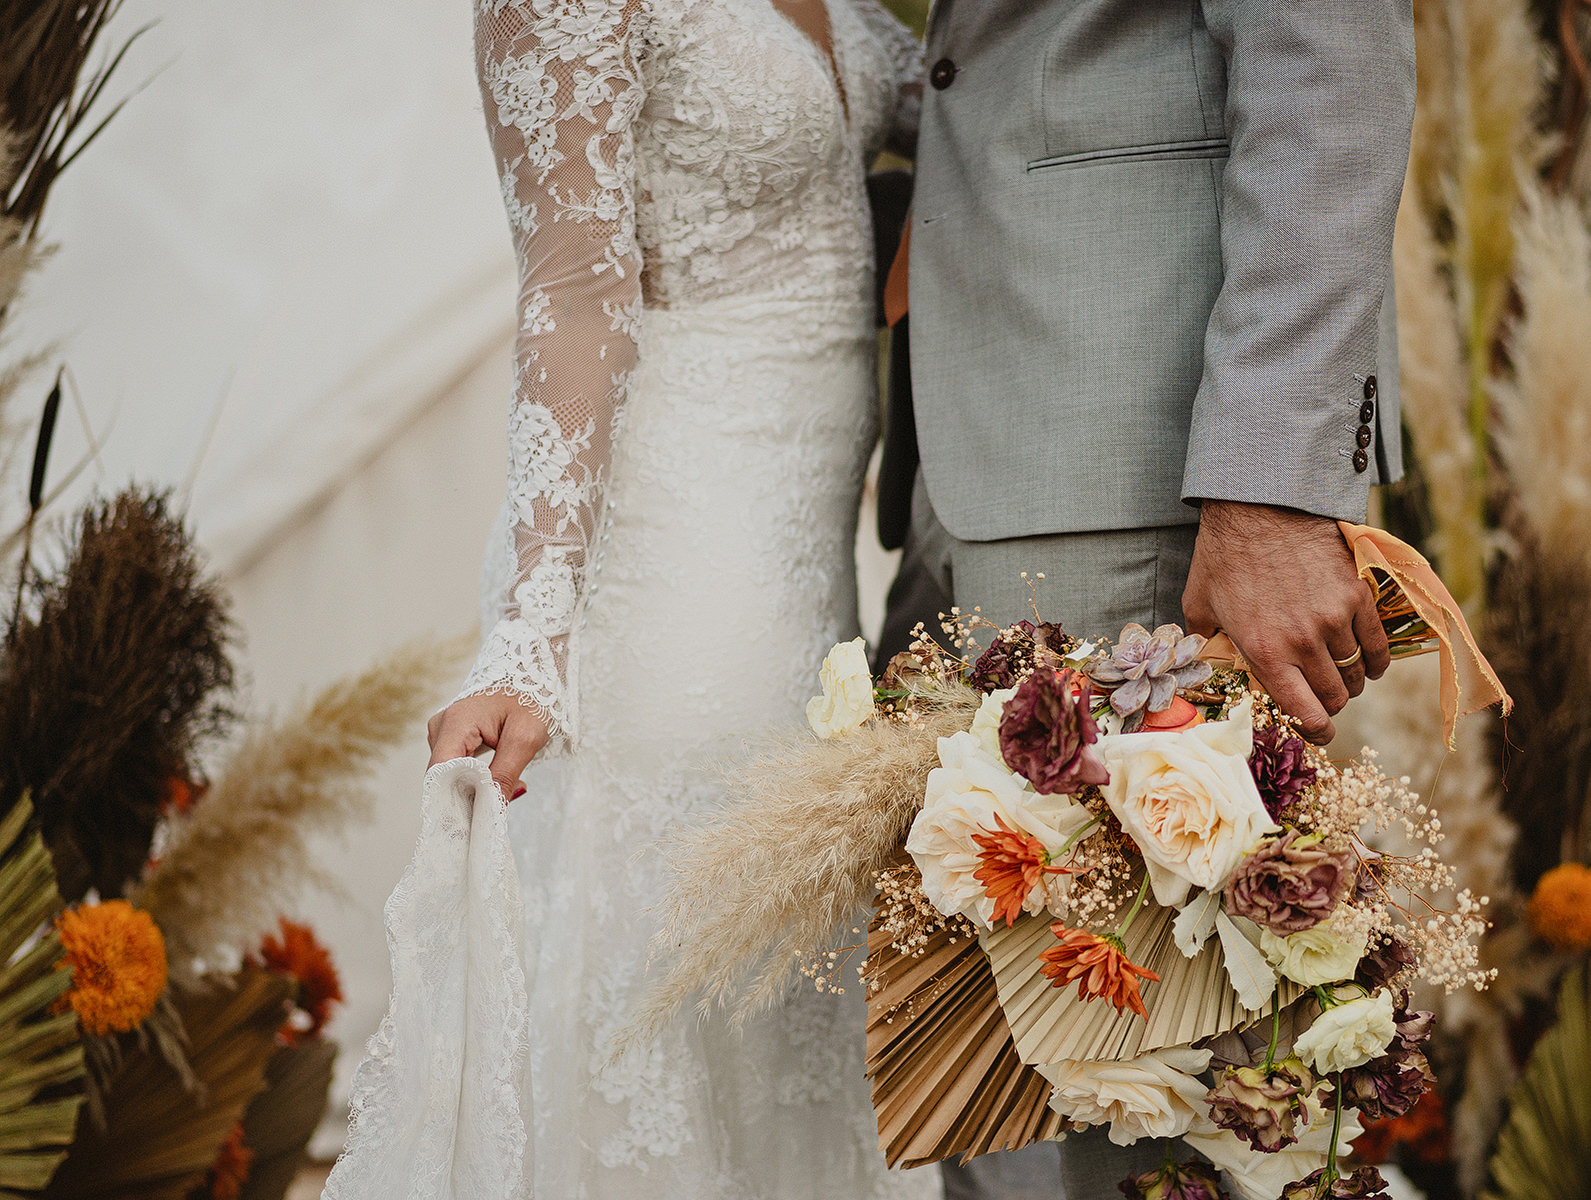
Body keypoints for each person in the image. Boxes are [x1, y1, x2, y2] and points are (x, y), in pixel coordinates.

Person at [327, 1, 935, 1196]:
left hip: (802, 560)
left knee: (786, 968)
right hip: (670, 547)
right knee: (669, 951)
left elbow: (960, 99)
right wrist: (530, 636)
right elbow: (572, 296)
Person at [888, 2, 1417, 1197]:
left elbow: (1326, 65)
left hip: (1153, 468)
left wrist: (1269, 489)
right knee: (1017, 1103)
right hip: (986, 443)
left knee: (1161, 1100)